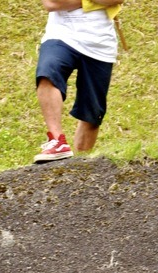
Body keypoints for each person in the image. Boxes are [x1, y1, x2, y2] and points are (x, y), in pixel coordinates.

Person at [33, 0, 124, 163]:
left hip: (101, 43)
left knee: (92, 113)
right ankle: (56, 140)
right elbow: (51, 3)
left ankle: (79, 165)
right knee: (48, 72)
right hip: (61, 34)